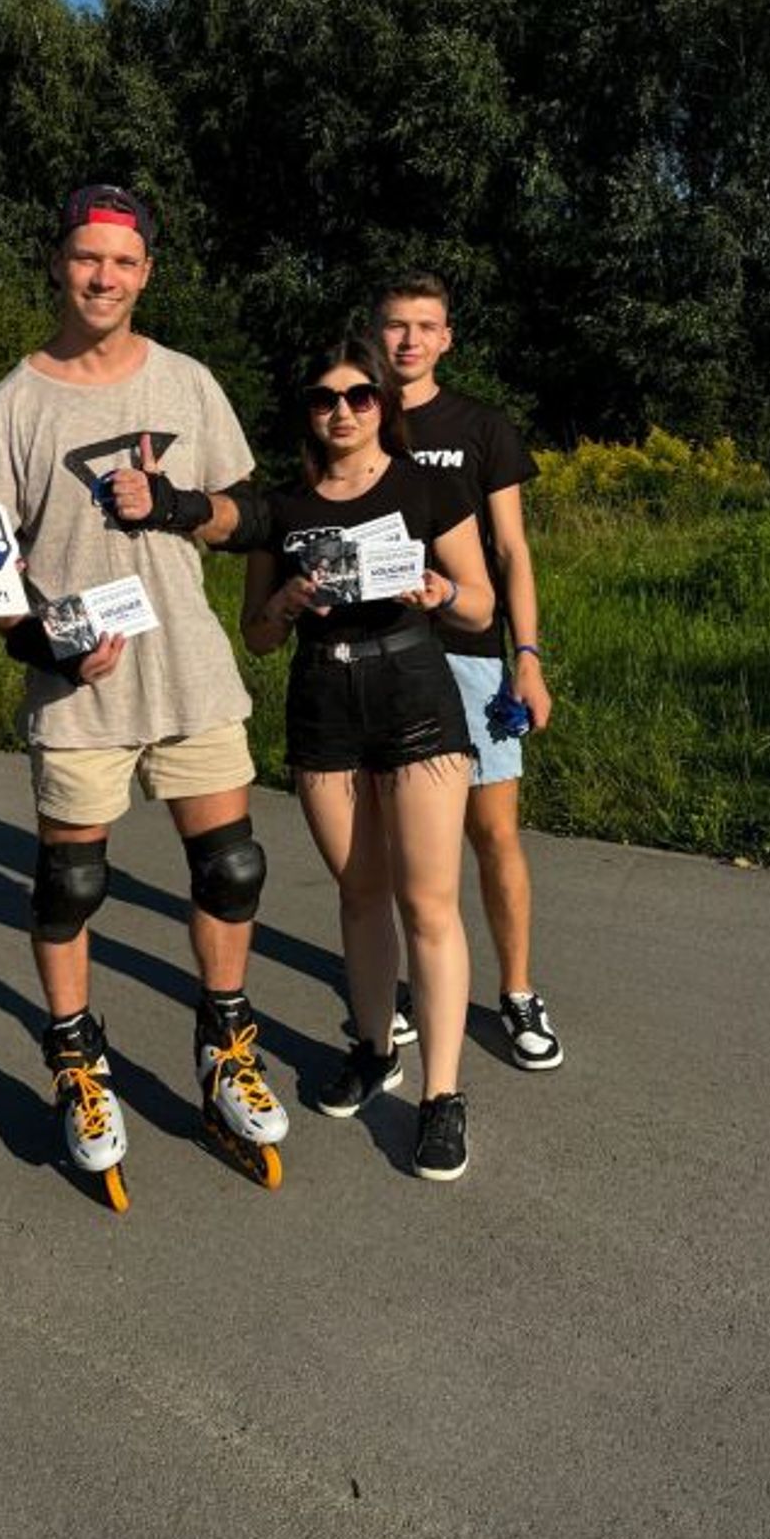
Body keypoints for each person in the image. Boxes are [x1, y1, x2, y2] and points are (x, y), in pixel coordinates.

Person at [0, 183, 289, 1208]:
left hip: (189, 672)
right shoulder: (13, 406)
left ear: (147, 274)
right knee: (71, 887)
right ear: (59, 263)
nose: (105, 278)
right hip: (79, 692)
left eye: (124, 262)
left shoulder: (187, 382)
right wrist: (38, 641)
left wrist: (177, 504)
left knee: (231, 869)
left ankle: (225, 1046)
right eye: (89, 258)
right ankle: (78, 1060)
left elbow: (248, 514)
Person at [238, 338, 493, 1181]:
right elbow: (258, 636)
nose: (341, 411)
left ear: (383, 403)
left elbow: (479, 602)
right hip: (323, 700)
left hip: (413, 693)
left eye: (359, 396)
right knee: (358, 893)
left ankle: (442, 1096)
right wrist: (283, 601)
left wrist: (441, 593)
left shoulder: (426, 488)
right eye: (323, 398)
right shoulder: (282, 506)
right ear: (306, 411)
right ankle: (376, 1048)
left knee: (428, 904)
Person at [376, 274, 563, 1071]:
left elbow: (512, 551)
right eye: (396, 325)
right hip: (382, 650)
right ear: (376, 332)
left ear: (447, 338)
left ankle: (516, 992)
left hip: (473, 652)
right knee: (402, 842)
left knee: (492, 833)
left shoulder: (481, 426)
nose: (410, 340)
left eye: (426, 326)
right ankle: (415, 984)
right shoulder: (354, 415)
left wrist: (528, 658)